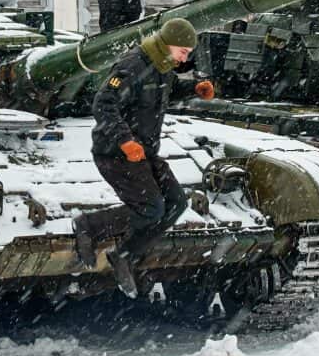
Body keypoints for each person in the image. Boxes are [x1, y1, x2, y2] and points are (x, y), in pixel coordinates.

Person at [72, 17, 216, 298]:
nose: (185, 58)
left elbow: (164, 93)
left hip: (144, 152)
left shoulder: (162, 66)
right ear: (168, 43)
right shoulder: (134, 65)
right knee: (152, 208)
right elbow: (103, 103)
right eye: (183, 51)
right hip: (115, 152)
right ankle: (88, 225)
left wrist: (193, 90)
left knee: (176, 203)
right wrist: (124, 140)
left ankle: (124, 254)